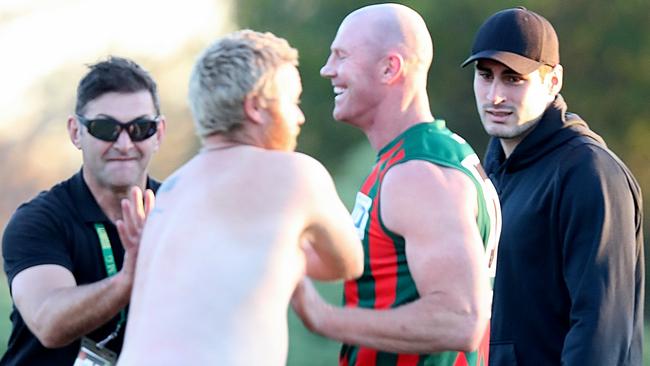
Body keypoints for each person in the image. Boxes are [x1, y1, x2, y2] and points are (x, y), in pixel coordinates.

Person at [116, 30, 364, 366]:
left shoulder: (173, 189)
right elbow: (348, 262)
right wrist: (289, 250)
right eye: (292, 102)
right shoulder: (296, 174)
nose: (299, 117)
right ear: (256, 108)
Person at [290, 4, 501, 365]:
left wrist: (325, 318)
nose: (328, 70)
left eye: (341, 56)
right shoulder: (413, 158)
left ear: (390, 67)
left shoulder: (418, 172)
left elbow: (460, 319)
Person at [461, 7, 644, 366]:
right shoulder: (491, 173)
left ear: (553, 81)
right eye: (485, 76)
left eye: (513, 79)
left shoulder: (589, 173)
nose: (494, 96)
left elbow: (600, 329)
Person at [1, 56, 166, 365]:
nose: (125, 144)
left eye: (140, 128)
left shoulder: (180, 210)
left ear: (159, 133)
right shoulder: (39, 220)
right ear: (76, 132)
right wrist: (128, 279)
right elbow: (48, 322)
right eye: (106, 128)